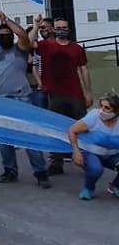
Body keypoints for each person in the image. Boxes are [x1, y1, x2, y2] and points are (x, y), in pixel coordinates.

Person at [0, 11, 50, 188]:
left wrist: (6, 20)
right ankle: (10, 170)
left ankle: (41, 173)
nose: (4, 37)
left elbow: (23, 35)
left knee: (29, 136)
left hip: (21, 99)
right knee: (4, 138)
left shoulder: (21, 49)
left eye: (8, 35)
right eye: (1, 35)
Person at [32, 15, 93, 175]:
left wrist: (88, 93)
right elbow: (27, 43)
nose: (61, 30)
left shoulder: (77, 49)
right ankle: (56, 163)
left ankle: (88, 160)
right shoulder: (46, 46)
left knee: (82, 128)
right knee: (55, 129)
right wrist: (37, 26)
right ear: (53, 29)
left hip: (75, 94)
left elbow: (84, 70)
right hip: (55, 94)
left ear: (69, 28)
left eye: (64, 27)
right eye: (58, 28)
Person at [68, 93, 119, 200]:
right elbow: (72, 131)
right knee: (96, 169)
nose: (102, 110)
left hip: (111, 155)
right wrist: (76, 152)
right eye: (101, 106)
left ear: (116, 111)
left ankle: (115, 186)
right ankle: (88, 188)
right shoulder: (94, 117)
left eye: (107, 108)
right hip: (91, 152)